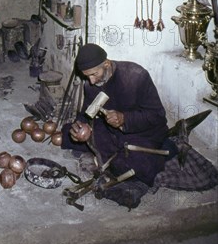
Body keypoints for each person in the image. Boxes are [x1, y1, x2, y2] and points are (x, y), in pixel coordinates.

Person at [61, 43, 171, 187]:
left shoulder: (136, 76)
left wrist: (125, 119)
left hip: (142, 132)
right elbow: (87, 113)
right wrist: (81, 126)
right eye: (87, 76)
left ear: (106, 64)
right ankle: (105, 156)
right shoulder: (91, 83)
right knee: (67, 134)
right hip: (111, 130)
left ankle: (107, 158)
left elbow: (157, 116)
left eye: (94, 74)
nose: (91, 81)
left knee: (137, 166)